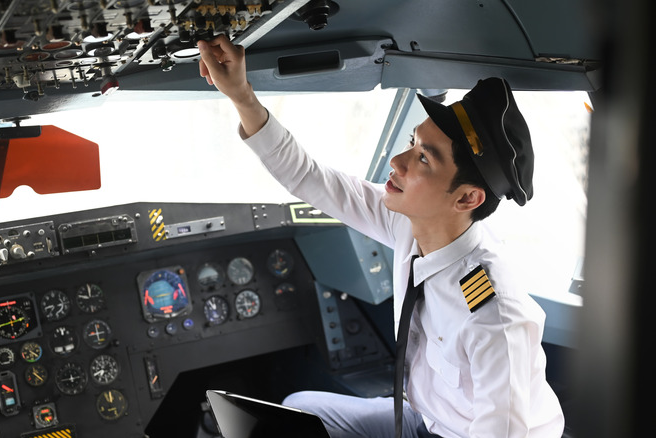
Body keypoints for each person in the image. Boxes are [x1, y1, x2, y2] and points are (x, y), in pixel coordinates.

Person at [196, 35, 565, 438]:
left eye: (423, 157)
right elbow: (308, 177)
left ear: (466, 198)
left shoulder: (495, 315)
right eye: (412, 143)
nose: (397, 161)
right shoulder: (410, 224)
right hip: (424, 420)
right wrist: (241, 95)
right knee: (296, 411)